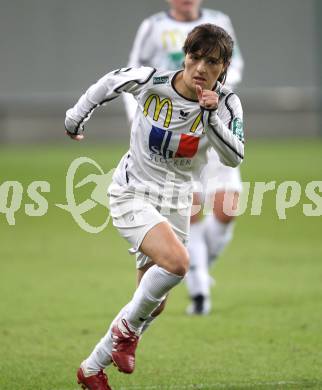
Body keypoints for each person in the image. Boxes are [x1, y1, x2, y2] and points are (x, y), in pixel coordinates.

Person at [65, 24, 244, 390]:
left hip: (176, 203)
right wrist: (75, 117)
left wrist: (210, 117)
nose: (201, 68)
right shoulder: (151, 81)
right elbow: (108, 83)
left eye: (212, 62)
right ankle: (126, 332)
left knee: (153, 302)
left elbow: (234, 157)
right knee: (178, 264)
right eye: (195, 57)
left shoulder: (226, 103)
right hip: (132, 193)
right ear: (185, 56)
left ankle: (92, 368)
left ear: (223, 67)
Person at [123, 0, 244, 315]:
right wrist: (138, 118)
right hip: (173, 132)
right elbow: (135, 71)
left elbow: (237, 64)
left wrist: (220, 99)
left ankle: (200, 269)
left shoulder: (220, 22)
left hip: (212, 122)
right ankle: (199, 288)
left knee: (227, 207)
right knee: (188, 211)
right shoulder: (153, 26)